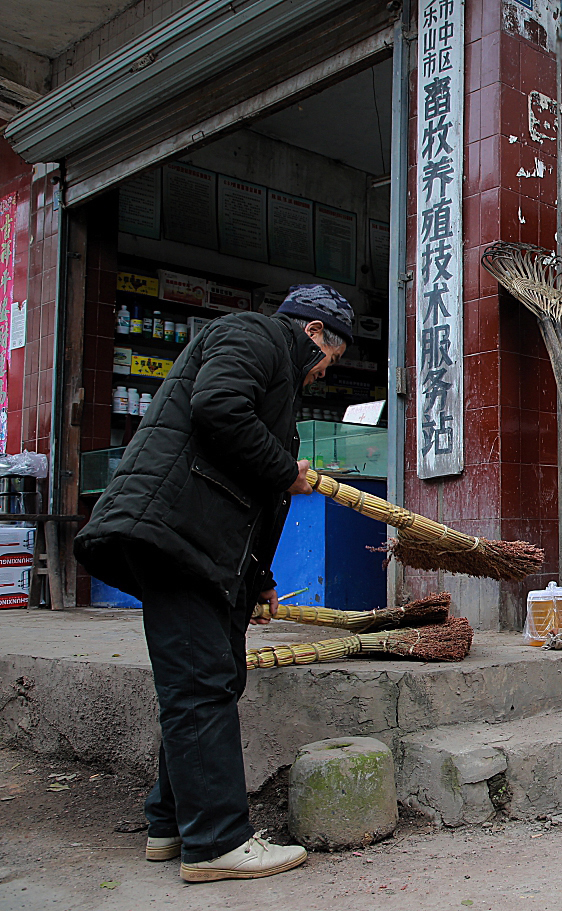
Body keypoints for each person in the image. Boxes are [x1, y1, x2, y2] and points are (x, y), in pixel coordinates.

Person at [75, 284, 353, 882]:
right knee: (200, 684)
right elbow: (218, 410)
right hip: (176, 535)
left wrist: (259, 581)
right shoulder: (251, 335)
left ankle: (172, 823)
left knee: (211, 678)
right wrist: (286, 469)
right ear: (313, 332)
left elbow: (250, 500)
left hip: (202, 545)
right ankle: (218, 842)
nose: (325, 374)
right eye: (332, 357)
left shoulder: (274, 377)